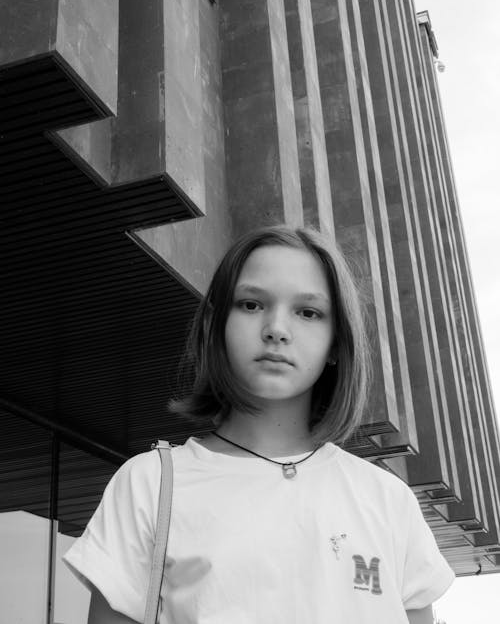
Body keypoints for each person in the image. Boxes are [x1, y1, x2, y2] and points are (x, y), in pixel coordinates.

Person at [63, 225, 455, 624]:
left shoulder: (387, 498)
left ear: (336, 342)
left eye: (308, 312)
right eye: (251, 304)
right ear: (216, 325)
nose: (276, 329)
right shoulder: (152, 484)